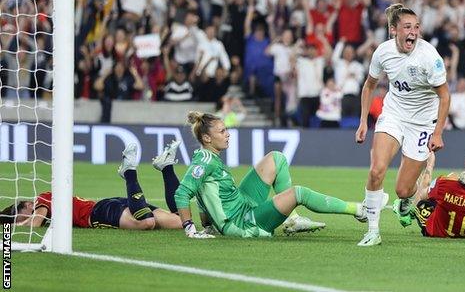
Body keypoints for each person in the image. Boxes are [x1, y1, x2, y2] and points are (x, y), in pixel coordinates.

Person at [174, 111, 366, 238]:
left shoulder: (208, 158)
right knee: (298, 193)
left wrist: (208, 225)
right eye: (222, 131)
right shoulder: (205, 162)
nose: (228, 134)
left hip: (243, 204)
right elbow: (182, 193)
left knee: (276, 158)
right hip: (244, 222)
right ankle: (359, 210)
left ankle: (293, 219)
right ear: (207, 138)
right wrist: (190, 228)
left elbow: (203, 196)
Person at [355, 3, 451, 246]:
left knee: (403, 190)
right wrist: (363, 121)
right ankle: (373, 231)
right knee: (376, 170)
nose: (413, 32)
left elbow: (445, 95)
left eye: (416, 27)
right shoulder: (382, 52)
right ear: (393, 30)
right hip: (394, 115)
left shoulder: (430, 57)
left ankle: (408, 197)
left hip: (421, 123)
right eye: (407, 27)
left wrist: (437, 133)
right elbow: (369, 85)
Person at [0, 141, 184, 231]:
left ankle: (129, 171)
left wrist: (15, 226)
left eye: (20, 216)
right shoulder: (45, 205)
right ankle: (166, 167)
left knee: (147, 222)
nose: (23, 219)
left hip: (98, 213)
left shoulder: (42, 200)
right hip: (111, 205)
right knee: (180, 222)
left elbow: (35, 223)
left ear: (27, 205)